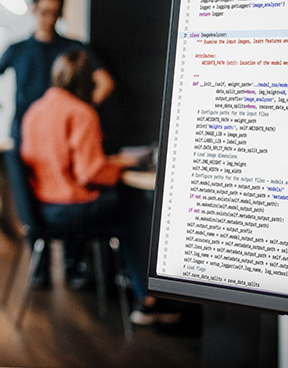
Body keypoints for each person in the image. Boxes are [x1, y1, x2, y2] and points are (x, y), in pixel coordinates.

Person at [19, 49, 179, 325]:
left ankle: (139, 292)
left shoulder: (35, 109)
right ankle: (148, 300)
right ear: (87, 81)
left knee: (128, 207)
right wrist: (122, 165)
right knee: (138, 207)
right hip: (70, 207)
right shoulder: (81, 112)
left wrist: (108, 162)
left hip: (42, 207)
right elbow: (89, 173)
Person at [0, 0, 114, 138]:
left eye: (54, 13)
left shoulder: (73, 49)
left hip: (61, 131)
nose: (49, 19)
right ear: (34, 10)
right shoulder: (17, 49)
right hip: (24, 130)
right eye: (44, 12)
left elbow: (105, 82)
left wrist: (81, 112)